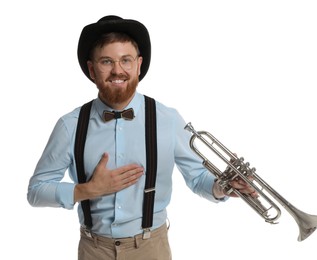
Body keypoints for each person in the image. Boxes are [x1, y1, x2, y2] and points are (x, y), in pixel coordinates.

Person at [27, 15, 256, 260]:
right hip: (94, 250)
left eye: (125, 60)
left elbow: (198, 178)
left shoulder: (167, 119)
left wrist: (224, 187)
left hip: (151, 249)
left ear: (138, 65)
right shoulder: (70, 125)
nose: (117, 70)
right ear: (92, 69)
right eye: (106, 61)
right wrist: (87, 190)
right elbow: (36, 191)